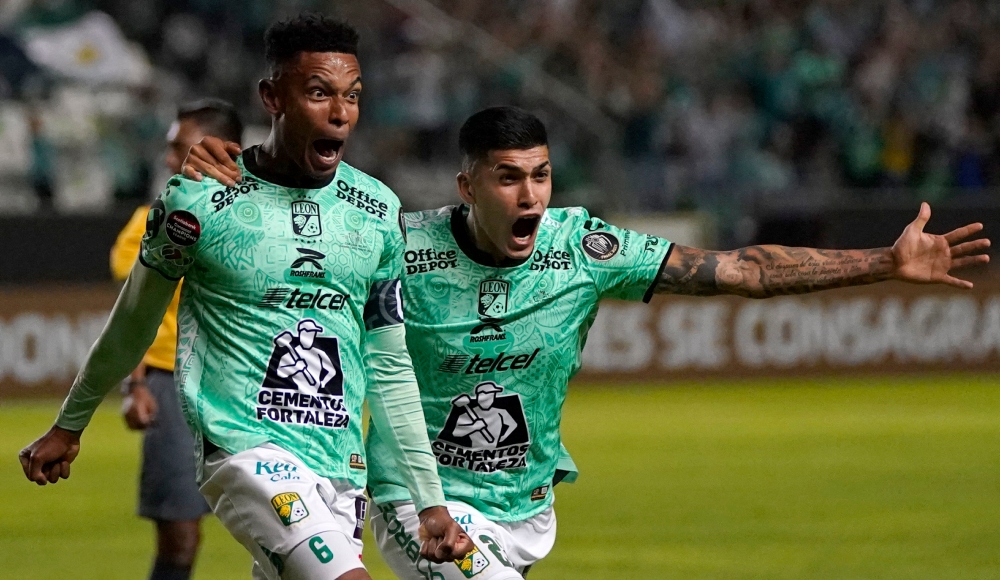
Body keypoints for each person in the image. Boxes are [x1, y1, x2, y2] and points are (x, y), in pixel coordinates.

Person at [180, 106, 990, 579]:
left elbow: (740, 270)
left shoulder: (582, 249)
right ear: (468, 186)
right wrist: (233, 172)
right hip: (413, 503)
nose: (528, 193)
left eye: (539, 175)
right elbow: (298, 249)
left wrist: (882, 262)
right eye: (507, 177)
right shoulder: (402, 246)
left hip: (525, 509)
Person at [19, 14, 471, 580]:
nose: (340, 113)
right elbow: (132, 320)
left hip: (338, 464)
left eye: (352, 96)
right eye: (317, 93)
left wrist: (429, 499)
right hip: (242, 447)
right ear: (272, 97)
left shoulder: (378, 210)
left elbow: (389, 363)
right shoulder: (199, 202)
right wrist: (71, 421)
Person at [109, 98, 242, 580]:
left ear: (226, 149)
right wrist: (135, 385)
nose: (170, 161)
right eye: (170, 150)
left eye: (179, 148)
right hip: (172, 382)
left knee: (293, 532)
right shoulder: (151, 220)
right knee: (180, 534)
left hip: (254, 384)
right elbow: (132, 317)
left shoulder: (261, 218)